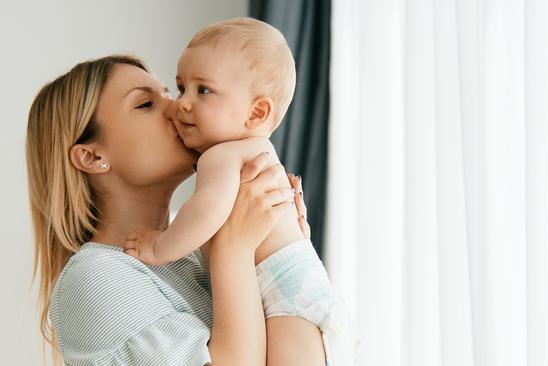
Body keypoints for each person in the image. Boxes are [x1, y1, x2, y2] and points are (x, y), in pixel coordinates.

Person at [26, 54, 327, 365]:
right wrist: (236, 248)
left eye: (171, 92)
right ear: (91, 157)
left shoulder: (194, 251)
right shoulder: (94, 278)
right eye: (145, 104)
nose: (179, 107)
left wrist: (283, 251)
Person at [122, 18, 357, 365]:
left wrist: (159, 247)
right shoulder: (255, 152)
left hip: (288, 300)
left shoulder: (222, 156)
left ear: (256, 111)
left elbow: (205, 212)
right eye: (181, 86)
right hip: (304, 295)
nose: (181, 104)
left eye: (203, 90)